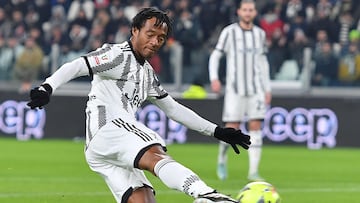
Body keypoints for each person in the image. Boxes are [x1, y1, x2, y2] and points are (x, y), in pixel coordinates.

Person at [27, 7, 251, 203]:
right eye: (150, 34)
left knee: (143, 197)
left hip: (103, 150)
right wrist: (48, 87)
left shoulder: (147, 74)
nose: (155, 42)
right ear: (135, 30)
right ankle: (207, 195)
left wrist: (217, 131)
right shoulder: (118, 55)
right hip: (109, 127)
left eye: (161, 38)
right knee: (155, 152)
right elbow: (78, 65)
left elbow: (173, 109)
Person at [208, 0, 271, 181]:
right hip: (235, 90)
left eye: (251, 10)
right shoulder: (229, 32)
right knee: (232, 128)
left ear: (255, 13)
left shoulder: (260, 34)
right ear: (239, 12)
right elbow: (216, 55)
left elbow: (263, 62)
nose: (248, 13)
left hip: (256, 89)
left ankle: (253, 172)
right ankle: (221, 160)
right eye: (245, 10)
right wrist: (214, 78)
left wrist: (267, 88)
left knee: (255, 126)